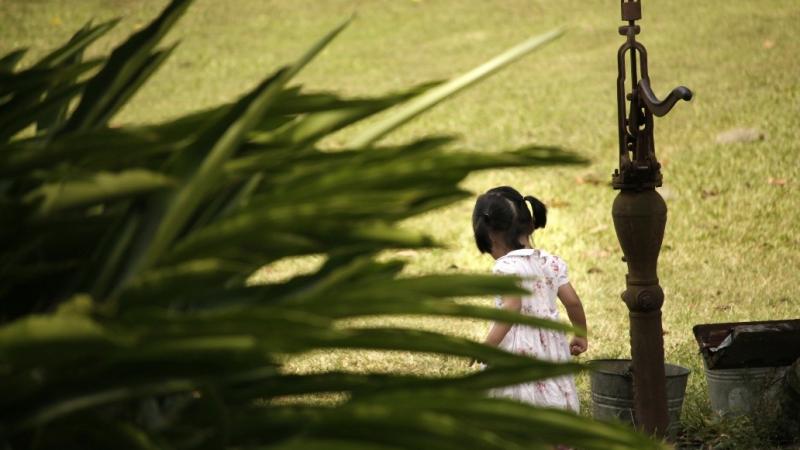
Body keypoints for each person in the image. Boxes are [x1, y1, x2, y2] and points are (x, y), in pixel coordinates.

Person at [472, 186, 588, 412]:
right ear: (529, 225)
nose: (492, 254)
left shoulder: (505, 268)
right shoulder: (551, 262)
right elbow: (573, 302)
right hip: (552, 350)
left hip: (519, 352)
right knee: (554, 399)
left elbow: (511, 309)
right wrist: (580, 335)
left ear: (491, 235)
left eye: (489, 248)